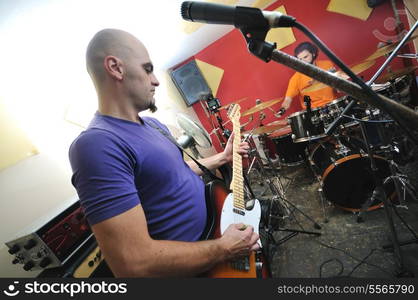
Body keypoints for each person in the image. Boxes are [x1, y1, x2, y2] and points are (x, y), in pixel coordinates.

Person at [69, 28, 260, 277]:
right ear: (115, 68)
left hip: (217, 241)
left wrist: (223, 157)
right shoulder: (97, 144)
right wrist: (223, 248)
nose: (156, 80)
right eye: (147, 69)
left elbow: (176, 172)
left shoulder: (154, 126)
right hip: (199, 267)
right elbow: (132, 264)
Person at [279, 41, 337, 112]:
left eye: (305, 57)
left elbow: (337, 88)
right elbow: (288, 99)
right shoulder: (296, 78)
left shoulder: (328, 65)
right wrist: (282, 109)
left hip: (334, 105)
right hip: (314, 112)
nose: (303, 61)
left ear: (313, 54)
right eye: (300, 59)